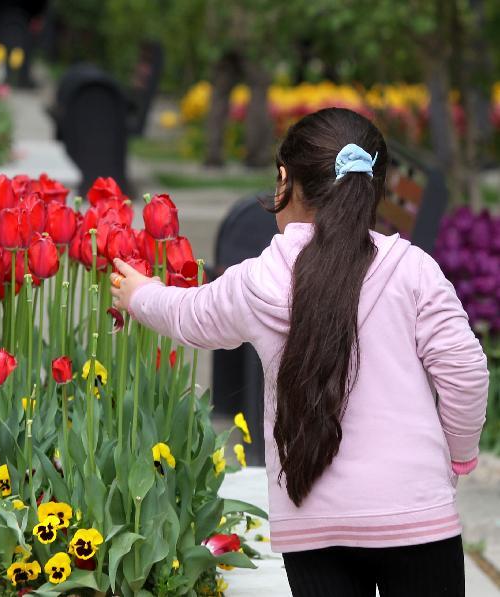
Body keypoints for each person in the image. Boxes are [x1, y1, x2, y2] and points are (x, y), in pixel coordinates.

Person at [110, 107, 488, 597]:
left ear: (284, 181)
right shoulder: (412, 270)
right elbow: (465, 371)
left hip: (315, 522)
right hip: (414, 517)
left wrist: (138, 293)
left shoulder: (258, 280)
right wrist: (458, 457)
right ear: (371, 186)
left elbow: (188, 316)